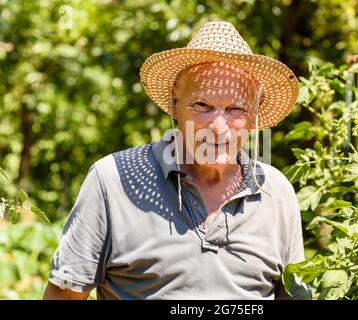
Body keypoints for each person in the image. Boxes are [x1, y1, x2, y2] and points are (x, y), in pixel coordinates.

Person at [43, 21, 311, 300]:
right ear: (174, 103)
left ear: (254, 114)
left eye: (235, 109)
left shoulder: (276, 193)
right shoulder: (111, 181)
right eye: (202, 106)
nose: (218, 127)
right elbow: (63, 296)